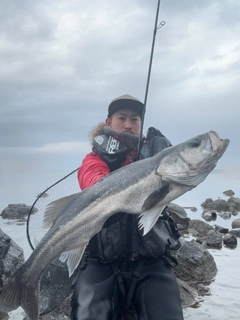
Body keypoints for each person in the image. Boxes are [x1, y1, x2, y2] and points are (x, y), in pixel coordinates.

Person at [71, 94, 184, 320]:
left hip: (151, 260)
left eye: (135, 120)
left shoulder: (156, 157)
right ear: (108, 123)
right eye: (121, 118)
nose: (128, 125)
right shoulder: (95, 159)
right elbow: (92, 182)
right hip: (101, 262)